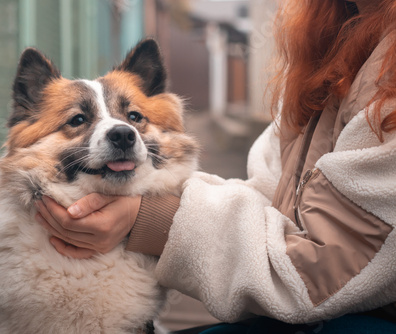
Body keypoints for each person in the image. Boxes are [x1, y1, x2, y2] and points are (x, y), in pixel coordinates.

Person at [35, 0, 396, 332]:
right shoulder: (330, 40)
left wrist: (148, 217)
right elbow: (273, 197)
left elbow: (320, 273)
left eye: (133, 117)